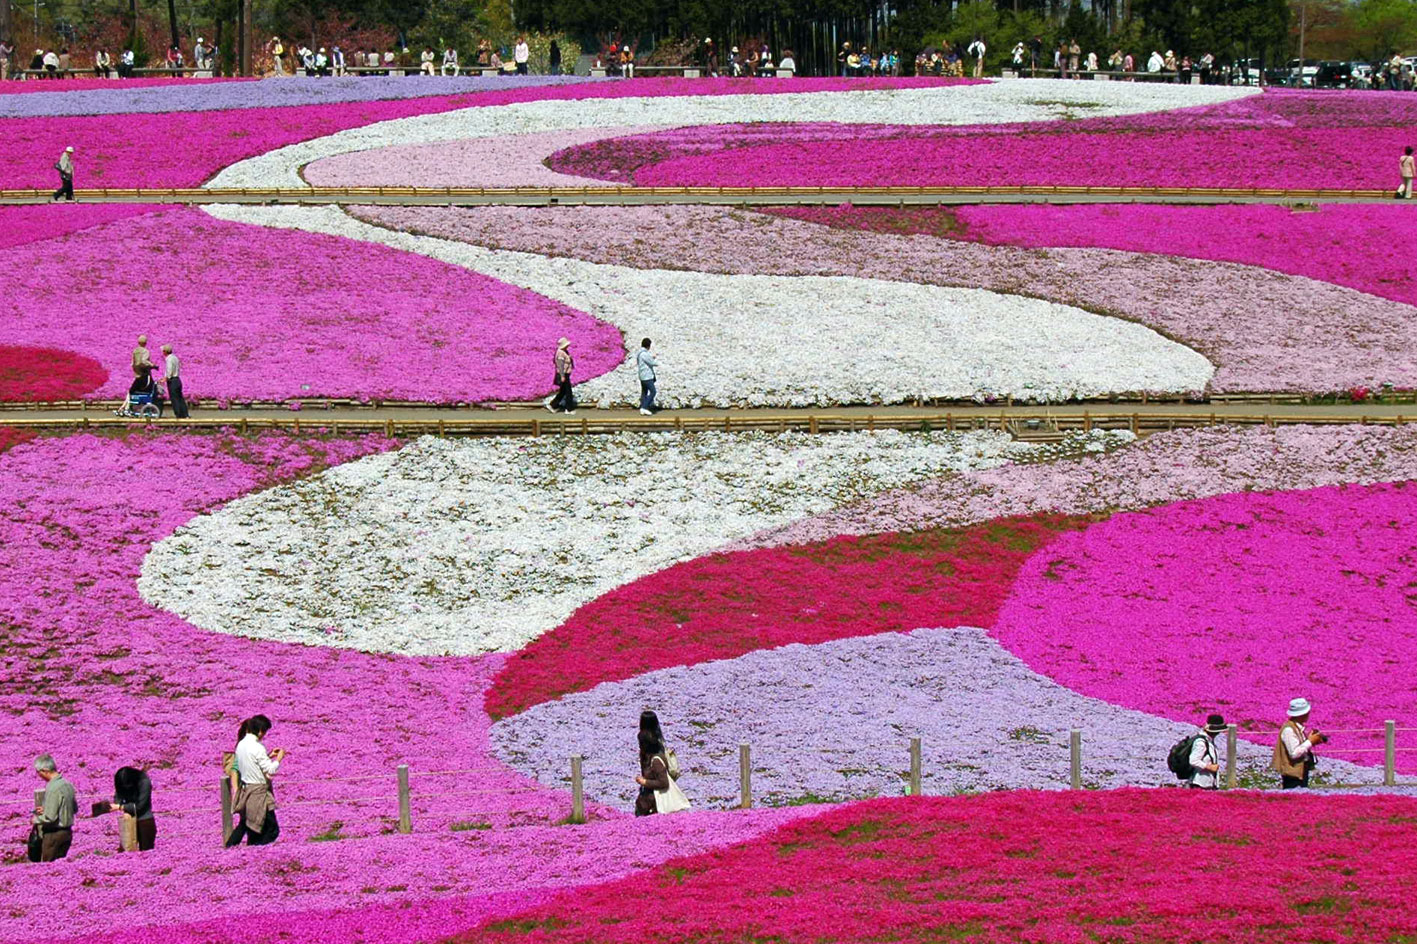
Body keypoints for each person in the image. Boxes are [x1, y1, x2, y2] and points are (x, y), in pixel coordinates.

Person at [229, 714, 285, 846]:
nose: (264, 735)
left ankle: (232, 849)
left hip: (247, 790)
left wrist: (268, 756)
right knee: (271, 830)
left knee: (248, 826)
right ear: (260, 731)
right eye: (265, 731)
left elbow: (251, 762)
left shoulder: (241, 745)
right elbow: (270, 770)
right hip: (259, 792)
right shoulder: (257, 747)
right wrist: (279, 758)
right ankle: (255, 852)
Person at [1271, 697, 1325, 789]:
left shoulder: (1297, 728)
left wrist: (1312, 740)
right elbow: (1294, 753)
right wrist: (1310, 741)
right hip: (1293, 774)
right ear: (1302, 714)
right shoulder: (1289, 729)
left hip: (1300, 771)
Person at [32, 754, 76, 862]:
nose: (38, 775)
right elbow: (74, 808)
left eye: (38, 772)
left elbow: (50, 818)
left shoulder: (52, 788)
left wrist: (35, 820)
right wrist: (47, 808)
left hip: (53, 835)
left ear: (45, 770)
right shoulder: (68, 784)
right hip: (67, 833)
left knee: (49, 868)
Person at [633, 711, 671, 816]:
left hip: (654, 803)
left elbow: (663, 782)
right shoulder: (658, 745)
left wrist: (644, 782)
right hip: (647, 799)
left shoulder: (655, 760)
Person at [110, 766, 156, 851]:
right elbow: (118, 796)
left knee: (146, 850)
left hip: (144, 820)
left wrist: (121, 807)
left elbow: (140, 806)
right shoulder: (122, 784)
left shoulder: (144, 782)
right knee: (126, 850)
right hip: (129, 820)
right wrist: (121, 806)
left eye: (127, 784)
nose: (126, 787)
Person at [1187, 714, 1227, 790]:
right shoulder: (1201, 743)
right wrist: (1209, 767)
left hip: (1209, 783)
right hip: (1200, 783)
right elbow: (1193, 760)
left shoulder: (1209, 741)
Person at [548, 337, 576, 413]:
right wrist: (562, 375)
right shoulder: (560, 352)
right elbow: (560, 365)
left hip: (566, 373)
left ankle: (553, 405)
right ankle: (569, 409)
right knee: (568, 392)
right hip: (563, 374)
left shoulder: (564, 351)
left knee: (563, 391)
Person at [161, 344, 188, 418]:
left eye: (163, 351)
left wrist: (165, 378)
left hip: (172, 381)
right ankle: (185, 414)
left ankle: (178, 415)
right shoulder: (175, 357)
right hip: (178, 380)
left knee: (174, 398)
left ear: (165, 352)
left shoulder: (168, 359)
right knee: (180, 398)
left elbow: (169, 370)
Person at [635, 338, 659, 415]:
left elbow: (647, 360)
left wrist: (651, 357)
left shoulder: (640, 353)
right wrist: (656, 360)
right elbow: (652, 363)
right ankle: (644, 407)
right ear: (648, 346)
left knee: (644, 392)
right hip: (647, 376)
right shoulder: (644, 354)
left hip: (642, 376)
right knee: (653, 391)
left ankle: (643, 407)